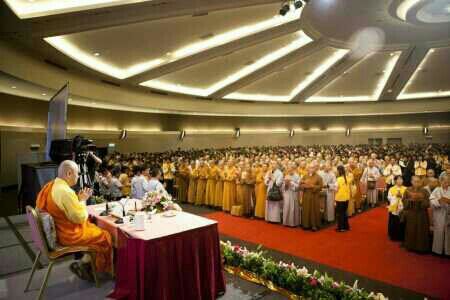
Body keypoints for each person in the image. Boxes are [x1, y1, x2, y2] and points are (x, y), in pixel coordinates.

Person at [36, 160, 112, 280]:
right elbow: (79, 218)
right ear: (69, 173)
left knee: (94, 228)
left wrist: (78, 199)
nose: (78, 177)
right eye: (77, 174)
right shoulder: (66, 192)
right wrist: (82, 200)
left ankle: (86, 262)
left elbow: (63, 208)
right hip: (67, 235)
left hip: (56, 230)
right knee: (104, 235)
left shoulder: (51, 185)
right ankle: (89, 266)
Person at [402, 176, 431, 253]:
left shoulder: (424, 191)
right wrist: (410, 200)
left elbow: (428, 202)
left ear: (421, 182)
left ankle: (421, 248)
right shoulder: (408, 190)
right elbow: (404, 200)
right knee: (411, 229)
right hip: (411, 213)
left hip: (422, 214)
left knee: (421, 230)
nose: (417, 183)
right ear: (411, 182)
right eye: (415, 181)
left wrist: (421, 200)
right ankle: (410, 246)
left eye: (418, 181)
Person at [429, 175, 450, 256]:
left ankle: (448, 251)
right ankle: (437, 251)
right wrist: (439, 201)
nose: (446, 183)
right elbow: (431, 200)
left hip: (448, 214)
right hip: (439, 214)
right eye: (445, 182)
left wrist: (448, 201)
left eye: (448, 182)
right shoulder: (437, 190)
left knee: (448, 233)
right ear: (441, 182)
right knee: (439, 232)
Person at [300, 162, 323, 231]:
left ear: (315, 169)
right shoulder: (305, 176)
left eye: (312, 168)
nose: (311, 169)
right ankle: (306, 225)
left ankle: (314, 225)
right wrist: (303, 185)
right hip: (306, 196)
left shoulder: (318, 177)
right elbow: (300, 184)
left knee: (314, 211)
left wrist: (313, 186)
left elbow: (320, 187)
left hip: (314, 196)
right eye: (309, 167)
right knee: (306, 210)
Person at [387, 176, 406, 241]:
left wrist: (402, 196)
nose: (400, 181)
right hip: (394, 206)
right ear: (395, 181)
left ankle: (402, 236)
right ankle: (394, 236)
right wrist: (395, 196)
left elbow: (407, 198)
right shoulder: (391, 189)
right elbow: (389, 198)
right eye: (398, 179)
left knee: (402, 221)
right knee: (394, 221)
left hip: (402, 206)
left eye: (401, 179)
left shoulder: (405, 188)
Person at [282, 162, 301, 227]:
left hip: (293, 194)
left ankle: (293, 223)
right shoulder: (286, 175)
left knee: (293, 208)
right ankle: (286, 222)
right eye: (288, 169)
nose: (289, 170)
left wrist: (291, 183)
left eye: (290, 169)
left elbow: (298, 186)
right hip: (287, 193)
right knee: (286, 207)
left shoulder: (297, 176)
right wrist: (285, 184)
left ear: (293, 169)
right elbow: (283, 186)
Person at [335, 165, 351, 232]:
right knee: (344, 212)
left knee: (340, 213)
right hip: (346, 197)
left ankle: (341, 227)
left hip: (340, 197)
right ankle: (346, 226)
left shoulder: (338, 179)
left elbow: (336, 189)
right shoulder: (347, 178)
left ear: (339, 171)